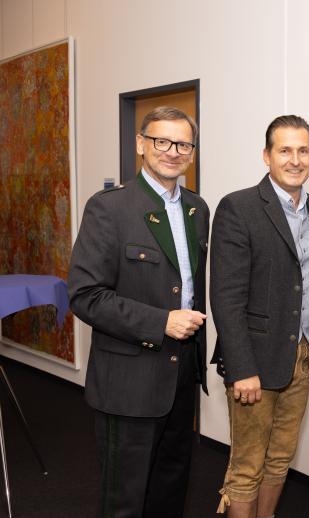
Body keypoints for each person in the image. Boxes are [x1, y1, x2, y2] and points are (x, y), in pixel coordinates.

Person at [68, 106, 209, 517]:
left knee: (171, 491)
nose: (172, 151)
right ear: (140, 145)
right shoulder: (109, 208)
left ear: (192, 153)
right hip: (128, 383)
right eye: (161, 141)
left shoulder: (198, 209)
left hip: (181, 377)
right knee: (124, 501)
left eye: (183, 144)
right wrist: (161, 321)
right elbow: (86, 295)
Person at [211, 115, 309, 518]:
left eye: (303, 150)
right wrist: (241, 368)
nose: (295, 160)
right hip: (254, 362)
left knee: (280, 458)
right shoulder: (239, 207)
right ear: (266, 156)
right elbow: (226, 297)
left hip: (301, 356)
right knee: (247, 466)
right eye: (285, 150)